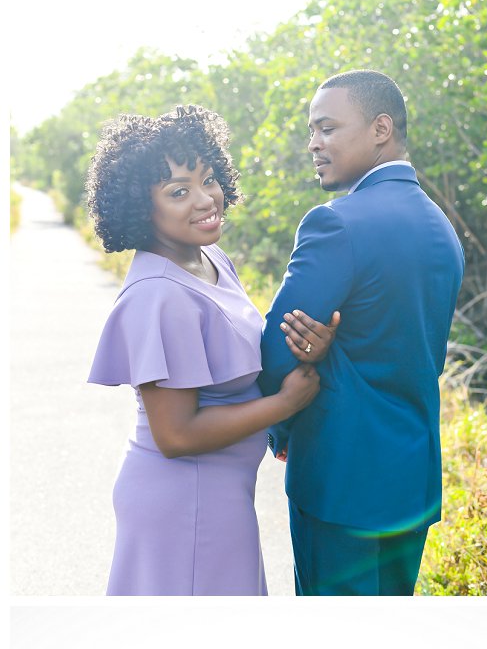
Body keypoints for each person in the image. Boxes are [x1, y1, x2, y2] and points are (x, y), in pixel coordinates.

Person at [85, 107, 337, 595]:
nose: (206, 199)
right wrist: (283, 406)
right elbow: (175, 435)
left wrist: (304, 349)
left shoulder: (209, 258)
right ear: (142, 207)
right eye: (178, 191)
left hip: (219, 496)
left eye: (209, 179)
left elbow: (236, 359)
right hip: (185, 504)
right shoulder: (158, 295)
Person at [258, 70, 466, 595]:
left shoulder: (337, 223)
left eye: (327, 128)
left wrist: (279, 426)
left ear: (380, 128)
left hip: (339, 477)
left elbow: (277, 349)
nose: (314, 143)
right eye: (311, 130)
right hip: (411, 479)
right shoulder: (442, 229)